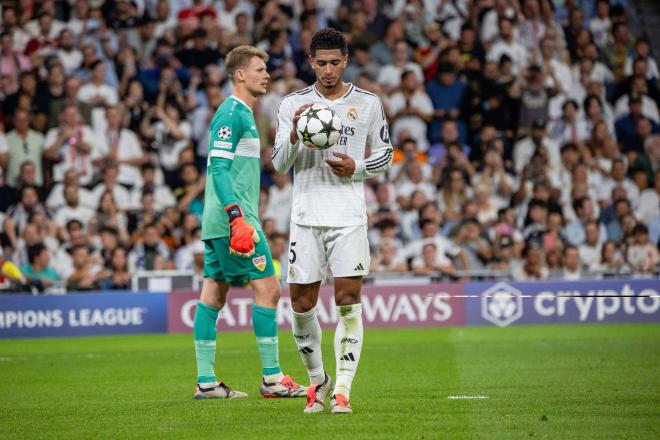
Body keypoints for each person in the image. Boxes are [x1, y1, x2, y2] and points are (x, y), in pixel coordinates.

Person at [272, 28, 393, 414]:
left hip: (348, 216)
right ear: (310, 62)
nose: (327, 70)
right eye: (320, 63)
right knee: (301, 304)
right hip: (306, 217)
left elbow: (387, 153)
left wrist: (356, 166)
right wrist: (293, 134)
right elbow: (277, 163)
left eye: (334, 62)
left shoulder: (369, 103)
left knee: (346, 302)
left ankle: (342, 389)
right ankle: (316, 381)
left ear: (346, 60)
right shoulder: (292, 104)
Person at [193, 45, 305, 400]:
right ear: (240, 75)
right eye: (259, 69)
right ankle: (272, 379)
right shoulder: (232, 114)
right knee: (269, 290)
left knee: (213, 293)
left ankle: (206, 382)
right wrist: (236, 217)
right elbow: (218, 169)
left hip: (223, 219)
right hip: (234, 220)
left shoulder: (243, 114)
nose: (266, 75)